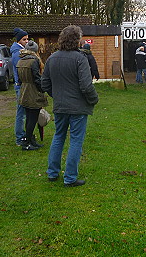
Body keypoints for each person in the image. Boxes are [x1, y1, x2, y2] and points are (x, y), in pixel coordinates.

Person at [43, 25, 98, 187]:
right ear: (77, 41)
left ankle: (52, 173)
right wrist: (94, 99)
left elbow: (45, 83)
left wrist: (57, 95)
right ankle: (70, 177)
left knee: (58, 137)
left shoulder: (51, 58)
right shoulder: (80, 59)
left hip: (60, 106)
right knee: (75, 141)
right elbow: (86, 86)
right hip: (77, 108)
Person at [16, 40, 48, 150]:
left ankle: (29, 140)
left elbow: (19, 79)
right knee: (32, 119)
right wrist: (43, 89)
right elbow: (37, 78)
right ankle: (28, 143)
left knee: (29, 117)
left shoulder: (21, 60)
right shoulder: (34, 61)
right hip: (33, 92)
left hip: (24, 91)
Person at [11, 27, 29, 145]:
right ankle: (20, 137)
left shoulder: (19, 51)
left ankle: (23, 135)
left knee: (23, 112)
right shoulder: (18, 53)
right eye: (24, 39)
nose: (26, 41)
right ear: (18, 41)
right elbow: (21, 70)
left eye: (27, 39)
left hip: (21, 85)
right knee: (21, 113)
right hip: (21, 86)